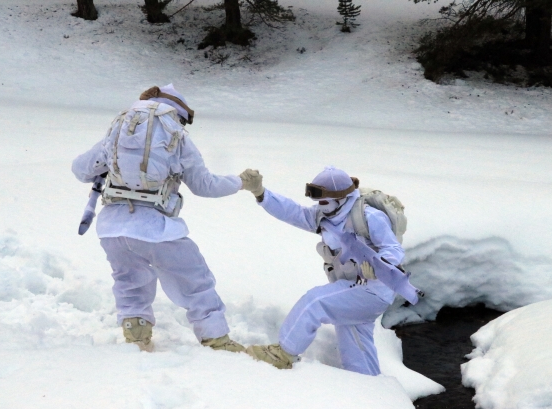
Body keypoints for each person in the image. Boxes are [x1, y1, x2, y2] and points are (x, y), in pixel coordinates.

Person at [72, 84, 248, 353]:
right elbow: (205, 185)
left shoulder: (119, 130)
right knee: (195, 282)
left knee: (130, 282)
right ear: (178, 113)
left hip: (112, 229)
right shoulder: (175, 134)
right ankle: (217, 340)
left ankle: (137, 338)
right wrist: (240, 182)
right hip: (157, 229)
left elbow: (81, 169)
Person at [238, 166, 406, 375]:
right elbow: (293, 212)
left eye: (324, 201)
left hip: (373, 290)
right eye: (318, 201)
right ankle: (368, 386)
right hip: (351, 289)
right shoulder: (325, 215)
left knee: (314, 302)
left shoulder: (368, 217)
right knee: (356, 349)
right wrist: (261, 193)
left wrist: (380, 267)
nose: (320, 206)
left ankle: (283, 354)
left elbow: (393, 249)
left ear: (341, 198)